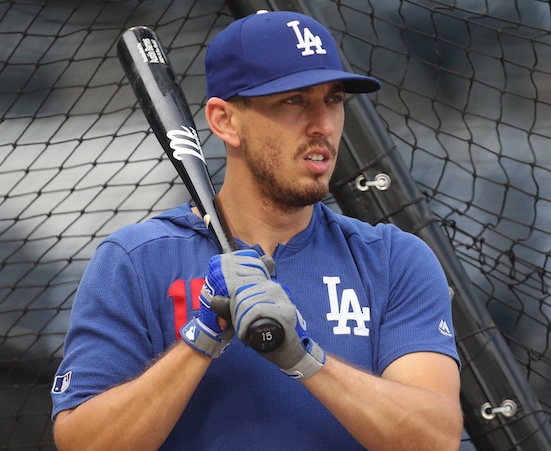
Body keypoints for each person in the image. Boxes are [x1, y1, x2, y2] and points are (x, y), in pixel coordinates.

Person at [51, 10, 462, 450]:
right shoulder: (137, 260)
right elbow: (84, 443)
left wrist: (303, 356)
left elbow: (434, 438)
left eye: (334, 99)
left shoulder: (393, 259)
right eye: (294, 100)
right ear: (225, 120)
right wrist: (203, 336)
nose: (323, 123)